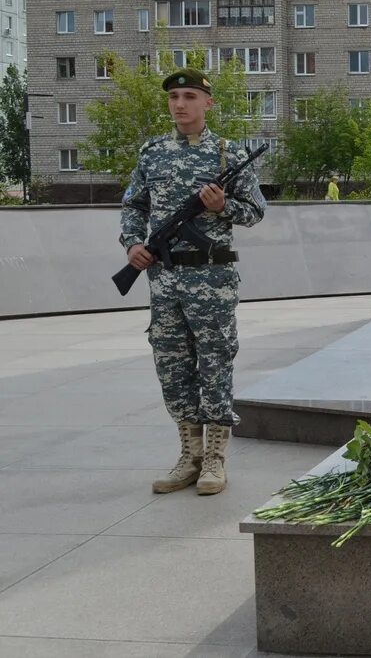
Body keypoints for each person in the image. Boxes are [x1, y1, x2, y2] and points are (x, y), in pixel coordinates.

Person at [120, 67, 267, 496]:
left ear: (208, 103)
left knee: (215, 361)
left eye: (188, 96)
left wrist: (222, 208)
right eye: (173, 97)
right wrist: (132, 244)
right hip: (163, 276)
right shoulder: (152, 153)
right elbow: (133, 205)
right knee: (171, 364)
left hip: (212, 276)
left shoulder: (227, 154)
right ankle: (190, 455)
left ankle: (216, 458)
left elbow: (255, 211)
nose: (180, 104)